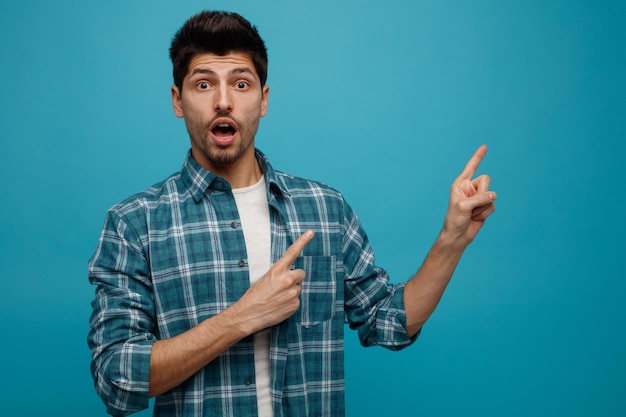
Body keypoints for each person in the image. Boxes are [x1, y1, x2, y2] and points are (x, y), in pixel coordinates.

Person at [87, 10, 497, 417]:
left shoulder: (325, 209)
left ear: (263, 99)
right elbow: (116, 380)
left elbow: (388, 322)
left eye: (241, 84)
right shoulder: (135, 223)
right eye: (203, 84)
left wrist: (452, 240)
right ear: (178, 100)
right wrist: (239, 319)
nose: (223, 101)